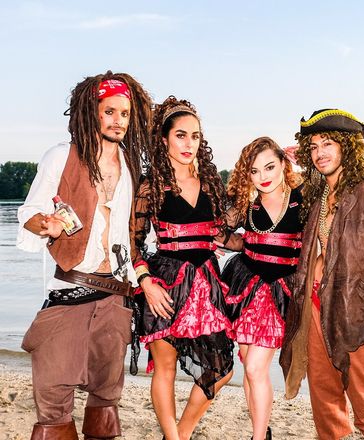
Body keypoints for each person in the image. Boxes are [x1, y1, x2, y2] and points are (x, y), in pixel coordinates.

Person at [17, 71, 153, 439]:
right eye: (109, 112)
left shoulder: (130, 165)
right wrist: (45, 223)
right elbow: (28, 211)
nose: (118, 121)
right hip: (70, 290)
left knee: (106, 399)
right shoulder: (62, 156)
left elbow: (135, 229)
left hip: (115, 295)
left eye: (124, 114)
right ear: (91, 112)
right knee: (53, 401)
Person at [280, 109, 364, 440]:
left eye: (328, 143)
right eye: (313, 147)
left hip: (357, 313)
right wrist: (289, 158)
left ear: (347, 146)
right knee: (325, 403)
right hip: (314, 307)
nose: (319, 153)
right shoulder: (318, 194)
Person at [133, 96, 240, 440]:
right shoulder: (150, 186)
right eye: (180, 135)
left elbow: (223, 235)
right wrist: (145, 282)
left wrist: (263, 243)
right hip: (164, 284)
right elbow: (133, 242)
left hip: (207, 285)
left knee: (221, 369)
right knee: (164, 368)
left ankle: (180, 432)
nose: (188, 143)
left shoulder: (211, 183)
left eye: (195, 136)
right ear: (164, 139)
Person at [221, 137, 303, 440]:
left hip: (281, 290)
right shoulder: (246, 205)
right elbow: (219, 230)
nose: (263, 177)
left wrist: (306, 160)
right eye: (254, 171)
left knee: (256, 367)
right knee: (249, 366)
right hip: (246, 285)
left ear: (283, 164)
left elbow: (334, 187)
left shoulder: (302, 197)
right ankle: (261, 430)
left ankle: (258, 437)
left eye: (269, 167)